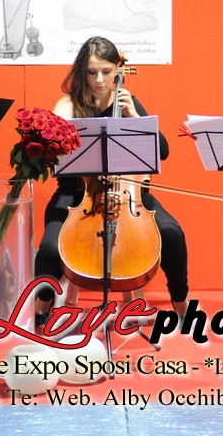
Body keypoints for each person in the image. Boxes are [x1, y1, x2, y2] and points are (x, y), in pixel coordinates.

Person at [34, 36, 188, 324]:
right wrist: (58, 126)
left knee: (172, 234)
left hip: (129, 195)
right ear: (82, 72)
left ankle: (180, 302)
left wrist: (133, 115)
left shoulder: (128, 102)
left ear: (118, 68)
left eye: (106, 71)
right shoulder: (69, 103)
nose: (100, 80)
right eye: (92, 72)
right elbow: (53, 146)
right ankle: (41, 308)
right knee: (51, 248)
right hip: (77, 194)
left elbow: (163, 151)